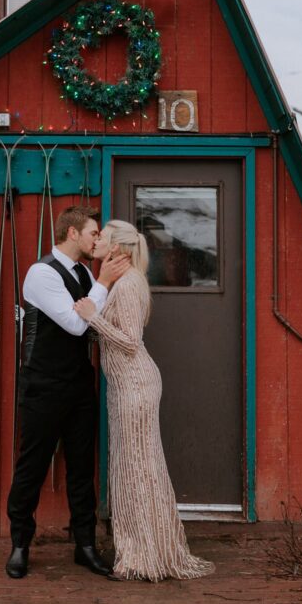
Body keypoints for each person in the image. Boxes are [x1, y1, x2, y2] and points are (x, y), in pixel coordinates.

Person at [73, 219, 215, 583]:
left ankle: (144, 557)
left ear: (117, 248)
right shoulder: (120, 282)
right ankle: (140, 550)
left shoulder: (131, 284)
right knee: (132, 467)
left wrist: (93, 319)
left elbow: (130, 341)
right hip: (124, 386)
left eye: (102, 235)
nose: (97, 239)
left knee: (137, 469)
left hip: (136, 385)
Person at [5, 205, 130, 579]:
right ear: (72, 233)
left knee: (81, 469)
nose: (98, 240)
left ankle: (85, 546)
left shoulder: (83, 274)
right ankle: (20, 545)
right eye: (93, 233)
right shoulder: (41, 273)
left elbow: (94, 322)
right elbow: (77, 325)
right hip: (43, 385)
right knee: (32, 467)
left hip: (79, 386)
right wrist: (104, 282)